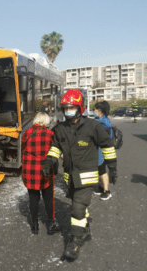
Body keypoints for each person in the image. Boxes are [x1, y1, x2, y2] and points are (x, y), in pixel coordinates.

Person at [42, 89, 117, 261]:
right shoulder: (60, 129)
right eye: (65, 108)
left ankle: (75, 240)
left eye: (71, 107)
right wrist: (49, 161)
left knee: (77, 209)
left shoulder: (92, 126)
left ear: (80, 108)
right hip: (71, 178)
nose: (68, 111)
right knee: (80, 205)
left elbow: (107, 145)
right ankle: (86, 229)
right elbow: (56, 147)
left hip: (87, 176)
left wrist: (112, 166)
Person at [21, 112, 61, 235]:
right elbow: (54, 151)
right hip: (45, 170)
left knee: (33, 198)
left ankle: (34, 226)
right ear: (46, 121)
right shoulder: (50, 134)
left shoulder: (26, 134)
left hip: (30, 171)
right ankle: (51, 224)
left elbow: (23, 148)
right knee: (48, 198)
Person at [93, 101, 113, 200]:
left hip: (103, 150)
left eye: (94, 110)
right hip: (101, 150)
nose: (93, 111)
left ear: (99, 110)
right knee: (100, 169)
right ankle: (101, 187)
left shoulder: (103, 122)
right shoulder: (101, 120)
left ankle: (107, 191)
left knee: (102, 170)